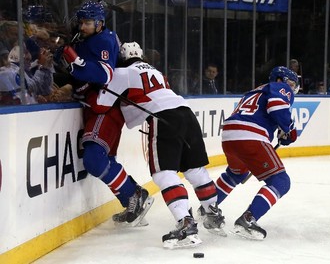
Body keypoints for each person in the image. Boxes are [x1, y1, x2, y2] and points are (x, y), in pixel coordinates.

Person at [93, 41, 226, 249]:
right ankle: (213, 213)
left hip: (164, 117)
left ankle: (186, 222)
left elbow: (101, 103)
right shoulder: (156, 72)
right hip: (186, 112)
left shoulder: (122, 72)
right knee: (194, 169)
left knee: (163, 174)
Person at [60, 1, 153, 227]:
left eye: (88, 22)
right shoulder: (88, 37)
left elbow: (104, 75)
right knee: (103, 159)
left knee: (94, 159)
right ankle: (133, 196)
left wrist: (75, 61)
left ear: (100, 23)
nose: (83, 26)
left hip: (106, 105)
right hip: (96, 106)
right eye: (81, 22)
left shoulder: (104, 39)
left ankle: (133, 195)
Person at [210, 66, 298, 240]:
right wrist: (290, 129)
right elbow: (277, 108)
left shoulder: (255, 91)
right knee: (281, 181)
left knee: (234, 175)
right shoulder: (279, 87)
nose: (292, 87)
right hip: (251, 136)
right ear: (280, 79)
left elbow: (264, 112)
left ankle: (207, 209)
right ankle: (248, 219)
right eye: (291, 82)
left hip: (229, 135)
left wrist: (282, 130)